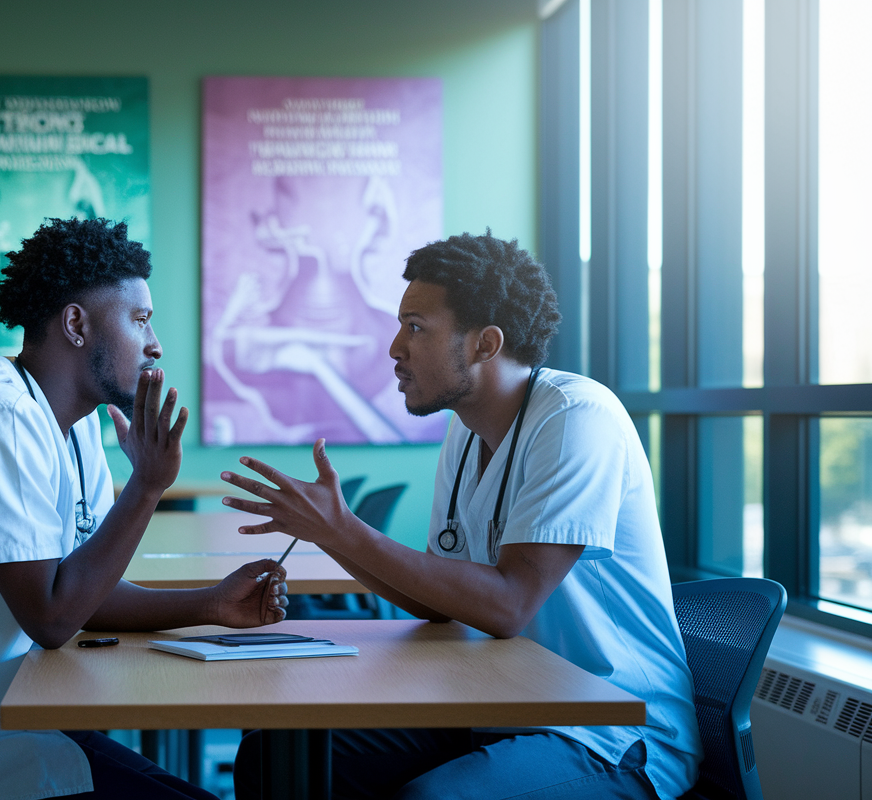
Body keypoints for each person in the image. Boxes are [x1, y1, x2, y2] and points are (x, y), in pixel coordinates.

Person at [221, 230, 701, 800]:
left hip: (611, 731)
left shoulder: (577, 417)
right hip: (500, 705)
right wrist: (329, 534)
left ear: (485, 344)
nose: (394, 347)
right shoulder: (467, 430)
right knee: (273, 755)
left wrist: (342, 527)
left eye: (416, 327)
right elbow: (435, 599)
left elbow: (507, 605)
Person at [0, 217, 288, 800]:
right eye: (140, 319)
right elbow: (52, 619)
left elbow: (79, 590)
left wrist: (211, 603)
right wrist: (147, 487)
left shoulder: (73, 425)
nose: (156, 343)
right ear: (76, 324)